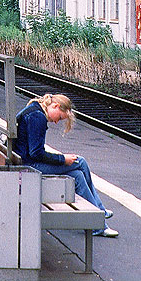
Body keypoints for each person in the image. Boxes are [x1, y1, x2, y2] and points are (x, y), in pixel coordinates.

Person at [14, 93, 118, 238]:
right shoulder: (37, 117)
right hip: (29, 167)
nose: (56, 122)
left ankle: (97, 224)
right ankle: (100, 211)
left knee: (77, 175)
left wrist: (62, 159)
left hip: (23, 163)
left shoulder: (34, 109)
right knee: (80, 162)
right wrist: (63, 159)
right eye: (60, 117)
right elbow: (36, 153)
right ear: (55, 106)